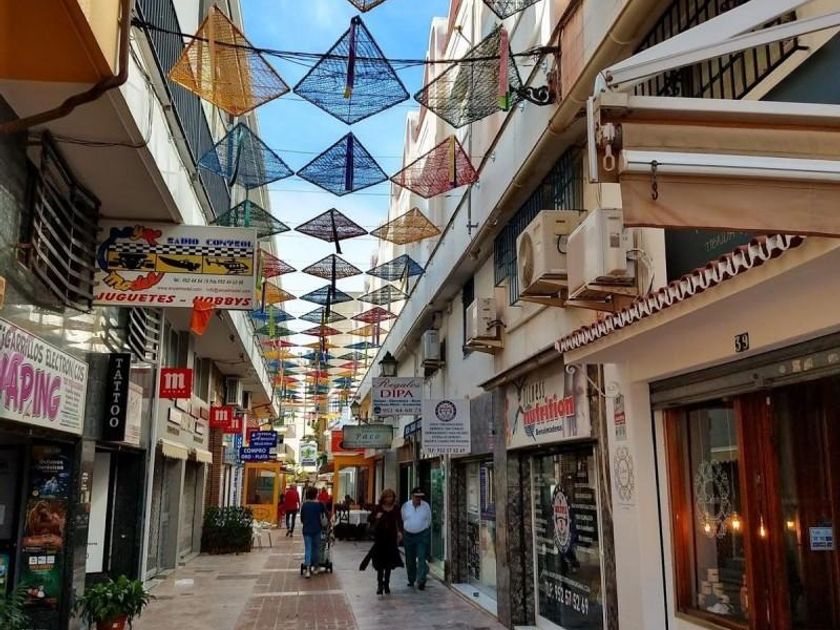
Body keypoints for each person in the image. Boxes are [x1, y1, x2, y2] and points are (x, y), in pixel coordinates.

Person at [367, 488, 403, 595]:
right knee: (380, 563)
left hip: (391, 538)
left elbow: (399, 521)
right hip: (380, 538)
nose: (389, 499)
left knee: (388, 563)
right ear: (383, 498)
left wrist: (400, 532)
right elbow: (369, 518)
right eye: (387, 497)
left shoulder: (396, 508)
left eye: (391, 497)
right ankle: (379, 584)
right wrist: (376, 516)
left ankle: (386, 584)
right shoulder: (378, 508)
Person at [401, 487, 432, 590]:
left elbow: (429, 519)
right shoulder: (406, 506)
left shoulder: (426, 506)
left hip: (422, 535)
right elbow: (403, 518)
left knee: (422, 556)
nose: (418, 499)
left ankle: (421, 580)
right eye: (416, 497)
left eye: (420, 497)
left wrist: (424, 528)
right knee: (410, 558)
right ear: (412, 496)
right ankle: (411, 579)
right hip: (408, 535)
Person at [299, 486, 326, 578]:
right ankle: (316, 567)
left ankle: (307, 569)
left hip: (306, 530)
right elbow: (324, 515)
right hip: (317, 529)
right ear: (315, 495)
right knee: (316, 549)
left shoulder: (304, 505)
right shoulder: (319, 505)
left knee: (308, 548)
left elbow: (302, 519)